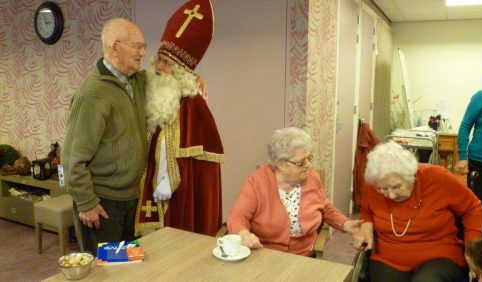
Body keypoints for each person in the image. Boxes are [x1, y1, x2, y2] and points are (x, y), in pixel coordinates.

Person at [134, 0, 224, 237]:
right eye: (159, 59)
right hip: (143, 180)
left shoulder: (192, 102)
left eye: (168, 63)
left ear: (182, 70)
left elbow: (182, 150)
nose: (160, 67)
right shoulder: (151, 85)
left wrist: (167, 180)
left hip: (176, 190)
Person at [62, 18, 149, 255]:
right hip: (102, 204)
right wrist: (87, 202)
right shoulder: (92, 94)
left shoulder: (137, 81)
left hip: (129, 198)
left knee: (124, 268)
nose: (142, 53)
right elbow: (71, 159)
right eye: (137, 46)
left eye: (143, 46)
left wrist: (194, 80)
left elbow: (168, 78)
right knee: (104, 273)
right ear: (113, 47)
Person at [352, 141, 482, 282]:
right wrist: (366, 224)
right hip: (388, 257)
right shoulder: (375, 182)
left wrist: (472, 248)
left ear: (412, 175)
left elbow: (472, 207)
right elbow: (367, 210)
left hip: (439, 254)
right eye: (383, 189)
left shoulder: (438, 178)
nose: (391, 195)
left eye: (396, 187)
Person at [227, 127, 361, 256]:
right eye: (302, 162)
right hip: (266, 255)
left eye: (309, 158)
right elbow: (238, 216)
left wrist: (346, 224)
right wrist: (243, 234)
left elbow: (325, 208)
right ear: (281, 164)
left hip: (304, 255)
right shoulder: (256, 182)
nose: (308, 165)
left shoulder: (312, 177)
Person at [455, 58, 482, 236]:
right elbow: (465, 127)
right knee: (475, 205)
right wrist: (462, 156)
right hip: (480, 162)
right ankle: (467, 241)